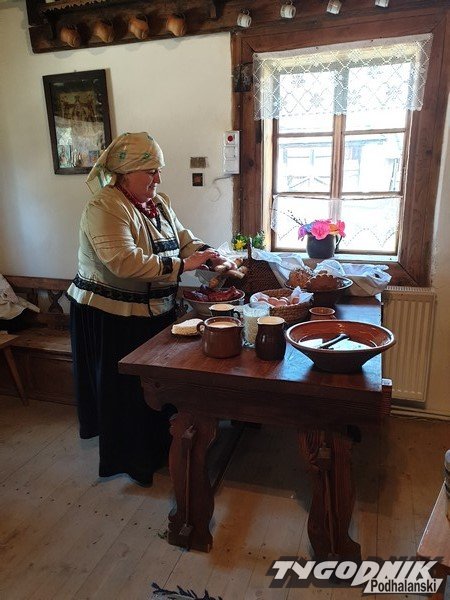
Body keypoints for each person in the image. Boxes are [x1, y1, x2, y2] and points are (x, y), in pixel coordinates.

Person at [67, 132, 230, 486]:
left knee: (155, 386)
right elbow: (123, 262)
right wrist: (184, 266)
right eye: (151, 171)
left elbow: (183, 239)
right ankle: (133, 461)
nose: (158, 178)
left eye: (159, 170)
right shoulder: (104, 207)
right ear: (125, 173)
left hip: (152, 311)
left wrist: (208, 255)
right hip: (110, 316)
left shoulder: (158, 203)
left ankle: (161, 449)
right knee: (126, 392)